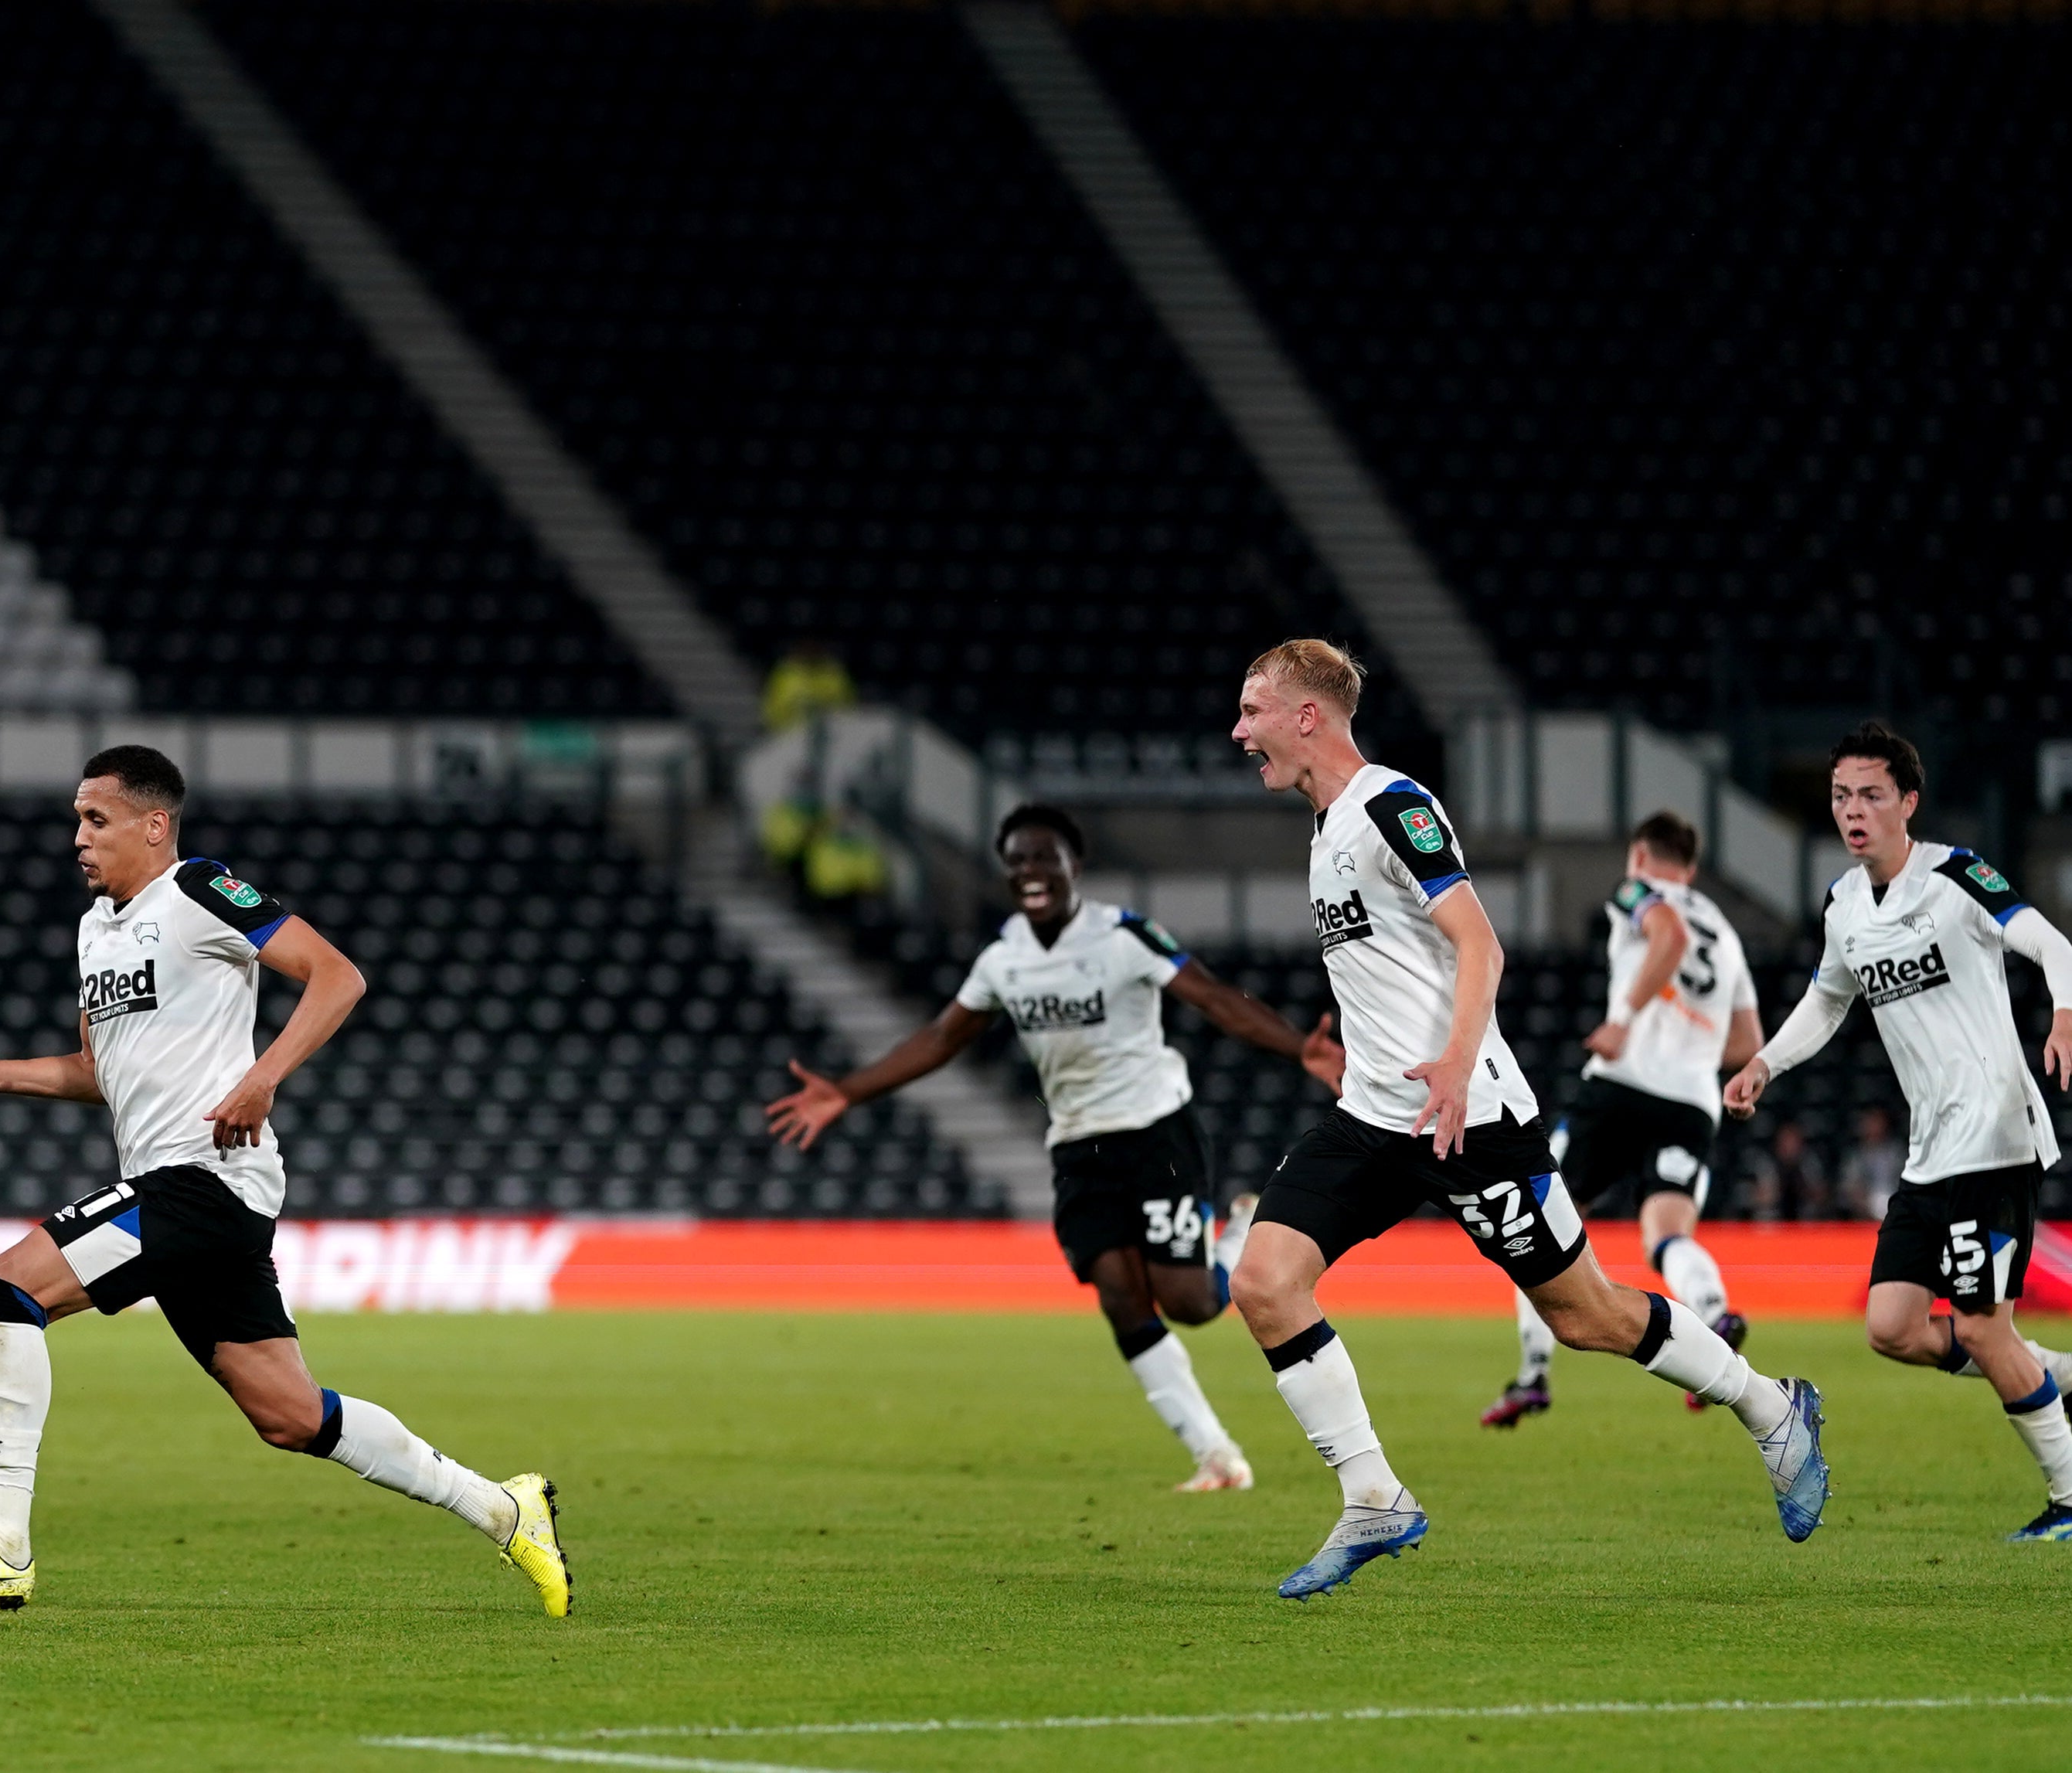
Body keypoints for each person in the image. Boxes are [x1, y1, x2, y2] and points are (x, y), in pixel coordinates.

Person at [0, 746, 570, 1614]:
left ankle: (2, 1546)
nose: (78, 837)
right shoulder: (98, 927)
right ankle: (507, 1510)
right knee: (290, 1414)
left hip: (204, 1178)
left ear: (155, 823)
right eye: (76, 818)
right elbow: (102, 1070)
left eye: (96, 818)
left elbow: (338, 976)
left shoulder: (201, 889)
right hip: (184, 1192)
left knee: (7, 1286)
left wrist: (263, 1076)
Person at [1225, 639, 1828, 1598]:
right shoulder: (1328, 824)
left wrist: (1459, 1060)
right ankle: (1373, 1493)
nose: (1239, 728)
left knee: (1587, 1314)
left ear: (1308, 715)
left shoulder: (1393, 803)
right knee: (1262, 1279)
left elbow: (1480, 941)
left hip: (1472, 1116)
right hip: (1377, 1116)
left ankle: (1772, 1408)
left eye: (1253, 708)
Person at [766, 802, 1343, 1493]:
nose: (1029, 872)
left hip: (1156, 1130)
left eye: (1043, 857)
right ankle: (1215, 1455)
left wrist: (1295, 1048)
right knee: (1119, 1296)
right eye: (1015, 861)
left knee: (1189, 1304)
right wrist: (847, 1091)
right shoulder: (1002, 959)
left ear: (1075, 865)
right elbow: (940, 1038)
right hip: (1078, 1146)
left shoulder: (1122, 936)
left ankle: (1234, 1235)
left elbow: (1212, 998)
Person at [1727, 721, 2072, 1542]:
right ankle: (2071, 1374)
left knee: (1980, 1323)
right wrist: (1766, 1061)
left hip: (1994, 1134)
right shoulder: (1844, 905)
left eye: (1871, 793)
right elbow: (1829, 1000)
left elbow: (2052, 943)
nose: (1853, 810)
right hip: (1930, 1148)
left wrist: (2068, 1016)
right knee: (1893, 1326)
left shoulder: (1955, 875)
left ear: (1909, 801)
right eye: (1841, 795)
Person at [1482, 810, 1764, 1428]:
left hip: (1621, 1084)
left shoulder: (1636, 891)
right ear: (1690, 867)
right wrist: (1686, 1054)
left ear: (1639, 856)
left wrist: (1624, 1020)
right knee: (1667, 1234)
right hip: (1690, 1099)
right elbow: (1746, 1039)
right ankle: (1714, 1316)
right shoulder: (1724, 928)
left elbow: (1668, 939)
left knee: (1536, 1223)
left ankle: (1532, 1374)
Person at [1844, 1106, 1903, 1220]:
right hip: (1867, 1202)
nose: (1874, 1127)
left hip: (1893, 1198)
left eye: (1877, 1123)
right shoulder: (1857, 1155)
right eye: (1870, 1123)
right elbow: (1850, 1184)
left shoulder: (1896, 1152)